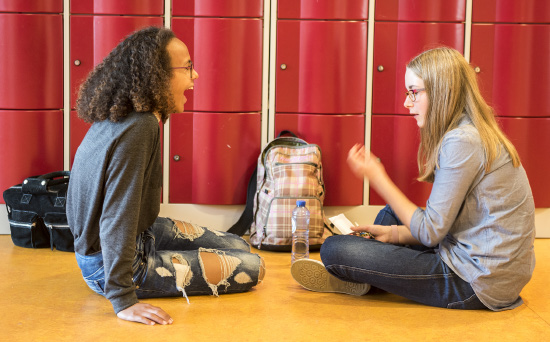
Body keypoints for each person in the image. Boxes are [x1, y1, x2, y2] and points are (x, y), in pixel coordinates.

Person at [291, 47, 536, 311]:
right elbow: (445, 225)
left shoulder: (462, 141)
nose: (407, 103)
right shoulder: (472, 132)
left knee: (334, 249)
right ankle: (370, 271)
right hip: (484, 267)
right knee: (390, 215)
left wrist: (377, 176)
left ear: (443, 91)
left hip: (474, 283)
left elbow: (431, 232)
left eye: (413, 92)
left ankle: (366, 273)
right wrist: (395, 235)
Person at [67, 26, 265, 325]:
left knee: (237, 245)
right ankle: (124, 281)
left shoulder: (125, 117)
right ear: (156, 76)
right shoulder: (139, 127)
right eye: (188, 68)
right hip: (112, 266)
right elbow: (116, 215)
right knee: (254, 266)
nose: (194, 76)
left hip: (132, 237)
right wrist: (122, 298)